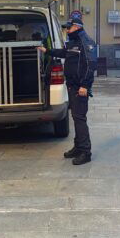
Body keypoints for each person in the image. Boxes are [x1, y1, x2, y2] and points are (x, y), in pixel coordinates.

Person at [38, 16, 97, 165]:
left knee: (80, 119)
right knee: (76, 118)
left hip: (79, 87)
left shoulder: (86, 42)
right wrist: (48, 51)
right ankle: (78, 147)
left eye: (69, 27)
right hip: (71, 85)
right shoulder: (73, 42)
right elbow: (64, 53)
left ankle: (85, 151)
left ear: (77, 27)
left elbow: (90, 65)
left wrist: (85, 85)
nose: (67, 30)